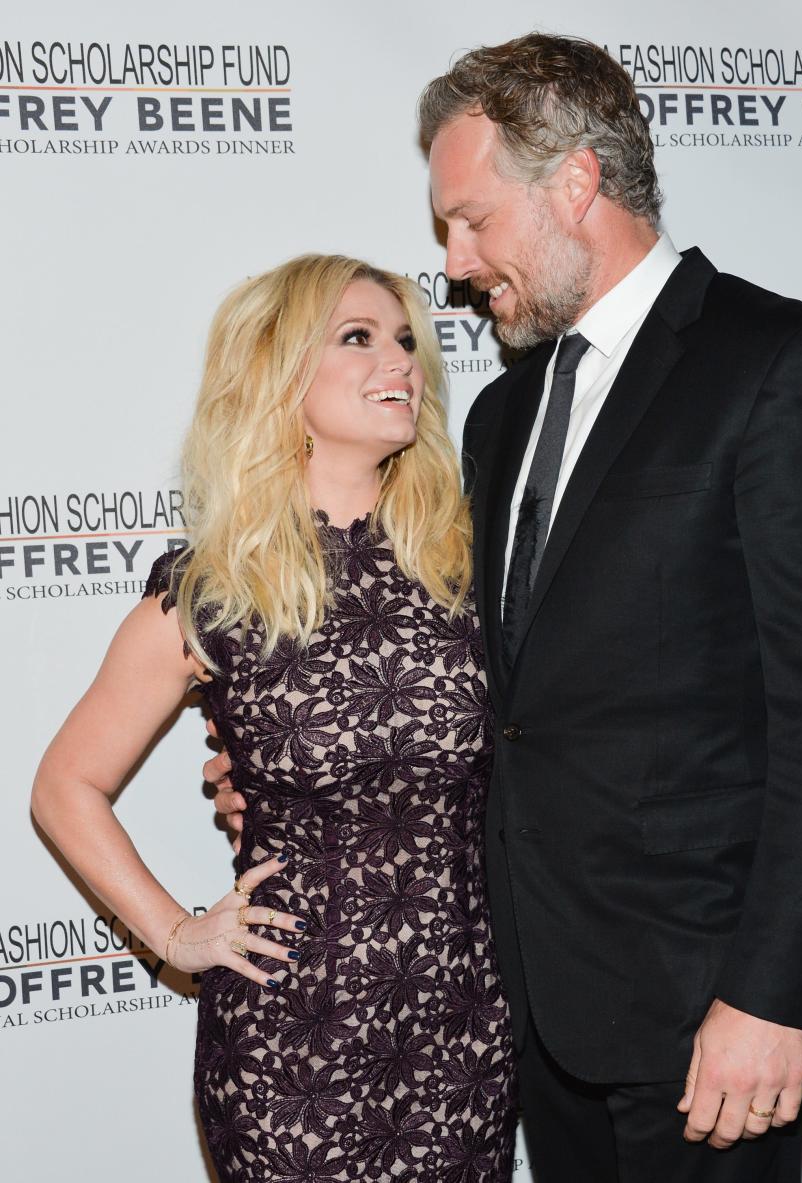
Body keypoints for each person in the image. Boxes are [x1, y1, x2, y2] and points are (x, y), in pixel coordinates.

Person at [208, 34, 802, 1182]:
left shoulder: (779, 363)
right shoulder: (501, 414)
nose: (457, 259)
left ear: (577, 183)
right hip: (526, 1004)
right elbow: (498, 684)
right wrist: (281, 759)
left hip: (704, 1009)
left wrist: (772, 994)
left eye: (472, 219)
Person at [32, 254, 517, 1182]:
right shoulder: (213, 592)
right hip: (292, 1046)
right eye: (359, 338)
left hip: (466, 1034)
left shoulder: (474, 563)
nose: (402, 363)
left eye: (407, 340)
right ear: (278, 372)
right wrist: (176, 935)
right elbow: (65, 785)